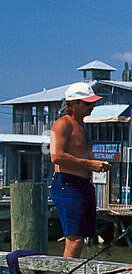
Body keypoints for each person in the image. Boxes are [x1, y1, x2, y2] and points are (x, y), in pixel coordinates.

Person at [48, 83, 111, 258]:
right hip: (67, 184)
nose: (92, 107)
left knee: (81, 237)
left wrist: (95, 164)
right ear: (74, 103)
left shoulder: (82, 125)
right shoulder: (61, 125)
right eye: (88, 103)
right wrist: (89, 164)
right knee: (74, 238)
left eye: (93, 103)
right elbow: (56, 156)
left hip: (83, 184)